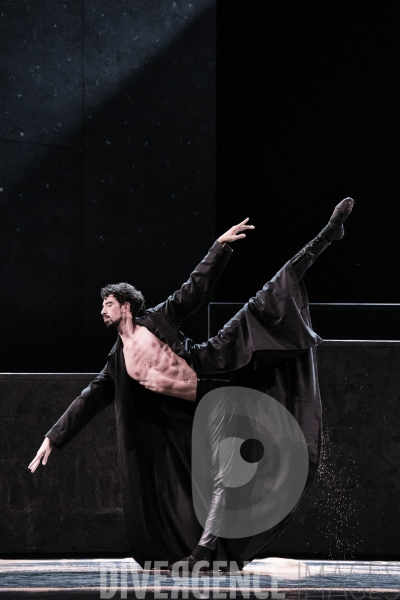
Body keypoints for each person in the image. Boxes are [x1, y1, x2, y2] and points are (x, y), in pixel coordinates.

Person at [29, 198, 354, 570]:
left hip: (214, 364)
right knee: (218, 476)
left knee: (270, 295)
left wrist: (220, 247)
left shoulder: (159, 318)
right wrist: (53, 437)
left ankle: (328, 234)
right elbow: (88, 400)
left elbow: (194, 289)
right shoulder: (116, 363)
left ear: (126, 306)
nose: (102, 309)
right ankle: (204, 550)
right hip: (196, 410)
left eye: (107, 303)